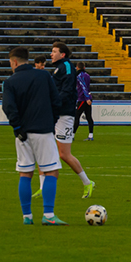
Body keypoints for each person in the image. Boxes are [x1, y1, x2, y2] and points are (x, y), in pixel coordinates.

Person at [1, 46, 65, 225]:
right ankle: (49, 215)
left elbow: (8, 107)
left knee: (25, 172)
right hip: (43, 130)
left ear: (14, 62)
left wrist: (17, 127)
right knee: (51, 170)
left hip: (22, 134)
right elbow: (56, 101)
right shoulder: (44, 76)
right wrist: (52, 121)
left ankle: (27, 216)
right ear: (27, 60)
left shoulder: (10, 82)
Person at [48, 42, 95, 200]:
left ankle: (87, 182)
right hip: (56, 113)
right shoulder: (59, 68)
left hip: (64, 115)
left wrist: (55, 104)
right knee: (46, 149)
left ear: (62, 54)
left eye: (54, 51)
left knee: (64, 154)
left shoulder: (67, 66)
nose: (51, 54)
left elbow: (67, 90)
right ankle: (43, 187)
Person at [73, 61, 94, 140]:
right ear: (84, 68)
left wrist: (86, 98)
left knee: (77, 117)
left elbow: (83, 87)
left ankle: (72, 135)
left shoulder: (79, 76)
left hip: (82, 99)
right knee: (89, 117)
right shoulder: (87, 75)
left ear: (77, 68)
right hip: (87, 98)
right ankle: (90, 135)